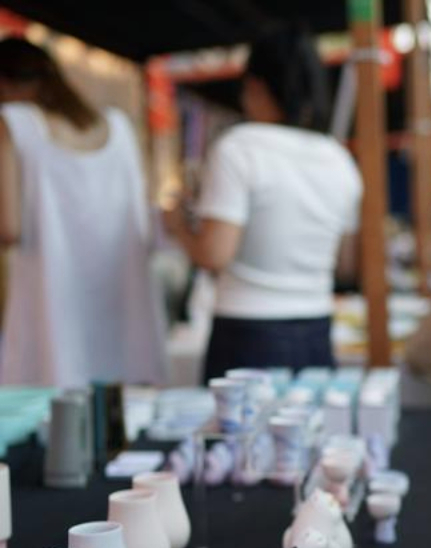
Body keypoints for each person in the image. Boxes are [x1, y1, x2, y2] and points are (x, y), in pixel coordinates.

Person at [167, 23, 363, 381]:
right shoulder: (339, 159)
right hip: (317, 328)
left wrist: (178, 226)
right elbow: (345, 263)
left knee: (237, 438)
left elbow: (213, 254)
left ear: (256, 84)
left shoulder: (239, 148)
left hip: (247, 331)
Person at [0, 38, 166, 387]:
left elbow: (8, 227)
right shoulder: (119, 126)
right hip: (125, 313)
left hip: (50, 312)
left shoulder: (13, 122)